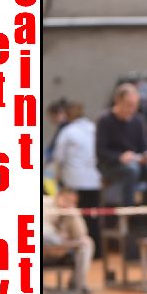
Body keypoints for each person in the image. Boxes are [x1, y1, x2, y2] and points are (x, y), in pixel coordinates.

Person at [95, 82, 147, 205]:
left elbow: (145, 146)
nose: (132, 109)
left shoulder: (138, 120)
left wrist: (146, 155)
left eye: (135, 105)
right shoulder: (105, 120)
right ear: (118, 100)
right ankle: (128, 209)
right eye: (129, 105)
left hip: (135, 161)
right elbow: (101, 151)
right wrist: (120, 157)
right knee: (132, 169)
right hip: (111, 165)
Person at [52, 101, 102, 255]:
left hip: (74, 180)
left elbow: (58, 158)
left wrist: (57, 178)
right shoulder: (94, 128)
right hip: (94, 181)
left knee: (75, 219)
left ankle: (78, 252)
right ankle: (97, 251)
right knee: (93, 217)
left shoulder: (67, 132)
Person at [42, 188, 95, 294]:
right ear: (59, 196)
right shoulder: (44, 203)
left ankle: (78, 283)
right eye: (67, 200)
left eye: (72, 202)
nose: (68, 203)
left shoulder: (71, 211)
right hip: (45, 247)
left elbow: (81, 234)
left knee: (87, 243)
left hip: (64, 248)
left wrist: (74, 214)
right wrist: (60, 241)